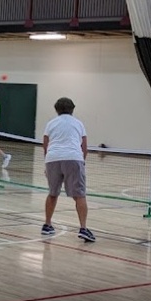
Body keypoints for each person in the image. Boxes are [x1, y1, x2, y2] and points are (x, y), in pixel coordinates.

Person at [41, 97, 95, 242]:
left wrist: (48, 163)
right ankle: (83, 228)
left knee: (52, 193)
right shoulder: (78, 124)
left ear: (56, 109)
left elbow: (45, 144)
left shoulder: (50, 124)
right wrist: (81, 162)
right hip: (73, 157)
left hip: (52, 158)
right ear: (72, 109)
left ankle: (47, 225)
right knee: (80, 195)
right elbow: (84, 147)